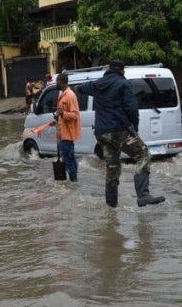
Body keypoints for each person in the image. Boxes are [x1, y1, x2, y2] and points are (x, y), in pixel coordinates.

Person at [76, 60, 165, 207]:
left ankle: (111, 205)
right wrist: (134, 131)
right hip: (118, 130)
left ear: (109, 70)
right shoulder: (123, 84)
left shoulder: (97, 84)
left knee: (112, 166)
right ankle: (143, 195)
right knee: (143, 154)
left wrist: (79, 88)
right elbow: (132, 109)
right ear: (122, 71)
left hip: (102, 134)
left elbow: (81, 88)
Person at [53, 73, 81, 182]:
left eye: (57, 81)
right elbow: (62, 113)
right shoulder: (63, 94)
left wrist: (63, 114)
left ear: (61, 82)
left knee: (69, 160)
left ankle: (74, 182)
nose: (56, 84)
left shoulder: (70, 95)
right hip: (62, 133)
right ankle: (72, 182)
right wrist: (57, 116)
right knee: (68, 159)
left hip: (67, 135)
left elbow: (75, 115)